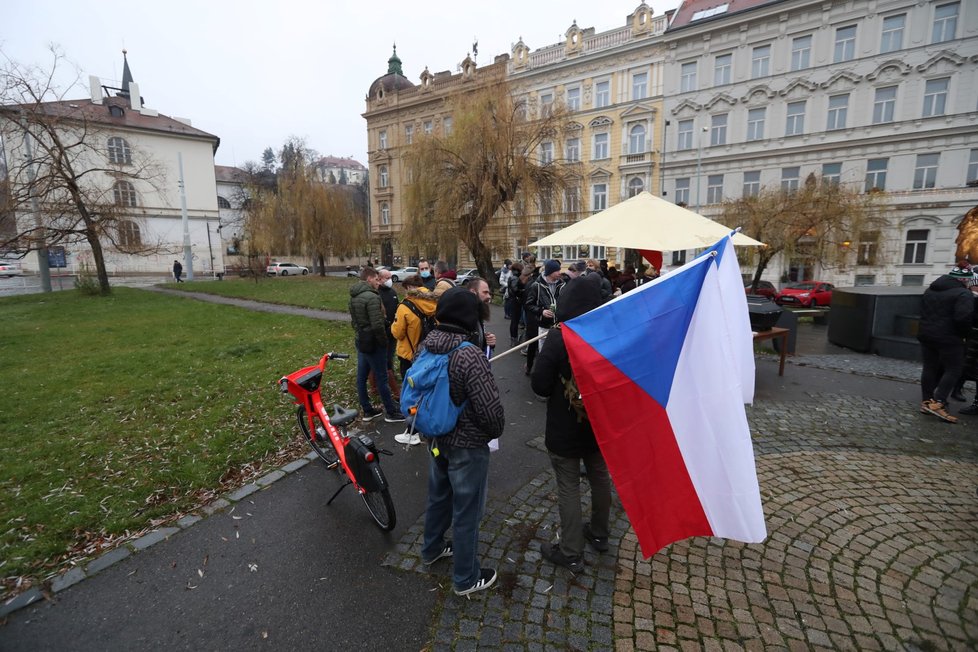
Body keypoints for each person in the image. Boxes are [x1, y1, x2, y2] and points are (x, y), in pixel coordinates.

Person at [420, 287, 505, 596]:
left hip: (436, 437)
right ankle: (466, 578)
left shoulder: (427, 345)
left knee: (439, 497)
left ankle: (431, 549)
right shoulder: (469, 353)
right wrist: (495, 431)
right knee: (467, 511)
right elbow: (491, 411)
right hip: (467, 446)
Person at [531, 274, 611, 573]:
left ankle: (571, 550)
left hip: (566, 427)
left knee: (569, 485)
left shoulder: (560, 337)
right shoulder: (608, 333)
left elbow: (539, 385)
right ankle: (600, 533)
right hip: (599, 423)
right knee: (599, 475)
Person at [917, 264, 975, 423]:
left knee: (929, 368)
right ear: (965, 280)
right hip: (950, 338)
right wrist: (965, 335)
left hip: (927, 335)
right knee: (954, 369)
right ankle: (938, 402)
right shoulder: (964, 294)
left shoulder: (930, 290)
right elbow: (963, 318)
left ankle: (926, 402)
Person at [348, 267, 405, 423]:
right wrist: (383, 342)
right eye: (376, 279)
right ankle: (391, 412)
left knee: (361, 377)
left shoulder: (353, 296)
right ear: (369, 279)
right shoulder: (372, 297)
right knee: (382, 377)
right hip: (374, 343)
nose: (378, 282)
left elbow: (354, 321)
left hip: (361, 340)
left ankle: (367, 410)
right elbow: (377, 325)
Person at [391, 274, 436, 379]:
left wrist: (393, 325)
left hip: (410, 354)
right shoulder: (435, 302)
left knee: (410, 386)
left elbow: (398, 333)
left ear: (410, 287)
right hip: (431, 351)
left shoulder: (404, 307)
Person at [524, 259, 564, 374]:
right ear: (551, 272)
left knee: (555, 352)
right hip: (543, 325)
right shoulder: (536, 286)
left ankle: (552, 375)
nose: (559, 272)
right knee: (543, 353)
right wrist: (541, 311)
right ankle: (541, 376)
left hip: (558, 326)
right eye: (557, 270)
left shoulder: (562, 284)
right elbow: (529, 305)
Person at [374, 268, 401, 398]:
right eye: (387, 277)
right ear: (379, 279)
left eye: (390, 277)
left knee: (389, 357)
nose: (390, 280)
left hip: (393, 332)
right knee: (383, 359)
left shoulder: (393, 292)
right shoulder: (376, 294)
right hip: (382, 332)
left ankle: (388, 376)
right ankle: (388, 388)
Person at [467, 277, 496, 356]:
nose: (489, 296)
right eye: (485, 292)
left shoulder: (477, 313)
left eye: (489, 293)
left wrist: (487, 341)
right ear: (473, 292)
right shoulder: (464, 317)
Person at [506, 261, 526, 346]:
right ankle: (513, 339)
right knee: (514, 321)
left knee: (514, 321)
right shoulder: (515, 277)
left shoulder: (513, 276)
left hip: (513, 301)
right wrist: (524, 291)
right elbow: (515, 290)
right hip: (515, 301)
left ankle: (513, 339)